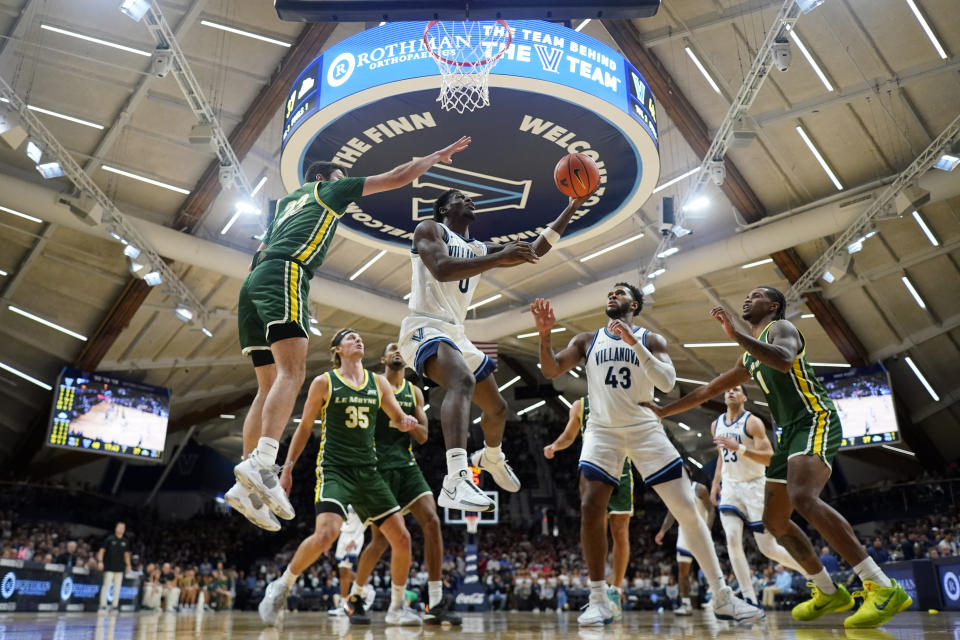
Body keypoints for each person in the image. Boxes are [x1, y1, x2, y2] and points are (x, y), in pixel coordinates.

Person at [229, 136, 472, 529]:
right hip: (286, 273)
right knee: (293, 374)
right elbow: (396, 177)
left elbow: (262, 248)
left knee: (267, 385)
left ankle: (245, 483)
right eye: (342, 177)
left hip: (254, 280)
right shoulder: (328, 189)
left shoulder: (286, 207)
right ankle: (263, 467)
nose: (348, 184)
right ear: (325, 178)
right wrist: (435, 154)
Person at [646, 286, 911, 628]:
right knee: (774, 522)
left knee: (802, 496)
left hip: (815, 418)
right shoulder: (750, 358)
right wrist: (664, 411)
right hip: (787, 434)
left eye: (755, 295)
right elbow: (709, 389)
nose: (746, 297)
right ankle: (827, 589)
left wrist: (737, 335)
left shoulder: (781, 329)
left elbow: (784, 361)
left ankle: (882, 585)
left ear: (772, 305)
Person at [531, 284, 763, 626]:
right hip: (603, 432)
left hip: (645, 429)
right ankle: (598, 599)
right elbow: (551, 370)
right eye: (610, 292)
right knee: (590, 506)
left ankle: (723, 596)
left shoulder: (651, 339)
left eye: (621, 293)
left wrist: (634, 343)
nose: (612, 295)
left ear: (634, 305)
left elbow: (667, 382)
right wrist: (545, 335)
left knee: (686, 508)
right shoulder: (586, 340)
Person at [398, 186, 594, 512]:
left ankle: (490, 457)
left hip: (455, 333)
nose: (471, 199)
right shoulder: (431, 229)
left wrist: (572, 206)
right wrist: (499, 257)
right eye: (461, 197)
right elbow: (442, 269)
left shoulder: (476, 247)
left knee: (498, 409)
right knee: (462, 381)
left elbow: (534, 249)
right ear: (445, 208)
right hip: (424, 326)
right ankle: (455, 479)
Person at [260, 329, 422, 627]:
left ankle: (397, 608)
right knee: (326, 534)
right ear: (338, 349)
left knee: (402, 538)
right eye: (351, 338)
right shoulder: (324, 382)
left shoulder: (379, 383)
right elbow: (305, 427)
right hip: (335, 469)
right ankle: (281, 586)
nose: (359, 340)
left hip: (369, 471)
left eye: (360, 337)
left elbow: (398, 419)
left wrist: (406, 422)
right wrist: (287, 468)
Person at [344, 343, 462, 625]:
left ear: (407, 361)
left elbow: (422, 436)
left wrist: (406, 425)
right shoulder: (371, 385)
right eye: (391, 349)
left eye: (401, 349)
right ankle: (356, 597)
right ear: (384, 358)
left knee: (432, 521)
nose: (397, 351)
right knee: (380, 542)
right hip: (377, 469)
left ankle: (434, 601)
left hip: (406, 466)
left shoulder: (415, 392)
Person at [710, 384, 805, 605]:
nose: (730, 392)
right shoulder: (716, 425)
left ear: (744, 397)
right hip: (731, 487)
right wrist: (716, 482)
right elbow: (721, 456)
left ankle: (813, 573)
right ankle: (749, 599)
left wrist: (740, 448)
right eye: (727, 390)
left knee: (768, 548)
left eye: (735, 389)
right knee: (732, 539)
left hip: (754, 486)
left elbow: (770, 458)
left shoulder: (752, 422)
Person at [543, 396, 634, 620]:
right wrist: (555, 445)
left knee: (620, 531)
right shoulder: (580, 405)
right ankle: (599, 589)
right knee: (597, 531)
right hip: (594, 468)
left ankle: (616, 590)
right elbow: (569, 436)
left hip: (621, 468)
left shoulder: (622, 397)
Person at [655, 478, 714, 615]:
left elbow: (711, 511)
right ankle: (686, 604)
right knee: (683, 573)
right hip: (684, 535)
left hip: (701, 533)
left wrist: (707, 530)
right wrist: (662, 531)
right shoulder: (675, 492)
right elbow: (671, 514)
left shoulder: (700, 489)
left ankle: (717, 598)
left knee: (710, 570)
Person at [325, 505, 369, 617]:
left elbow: (365, 520)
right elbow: (339, 521)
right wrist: (330, 540)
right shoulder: (344, 496)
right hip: (343, 535)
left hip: (355, 535)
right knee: (342, 572)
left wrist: (354, 539)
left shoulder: (361, 496)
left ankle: (366, 588)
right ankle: (344, 604)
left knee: (345, 568)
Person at [97, 521, 130, 612]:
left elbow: (126, 555)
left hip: (120, 568)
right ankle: (103, 605)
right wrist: (100, 561)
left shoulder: (125, 541)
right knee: (106, 586)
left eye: (123, 528)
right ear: (116, 528)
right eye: (119, 527)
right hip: (109, 567)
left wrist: (128, 565)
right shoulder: (109, 539)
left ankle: (114, 605)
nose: (121, 529)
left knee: (117, 588)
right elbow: (102, 551)